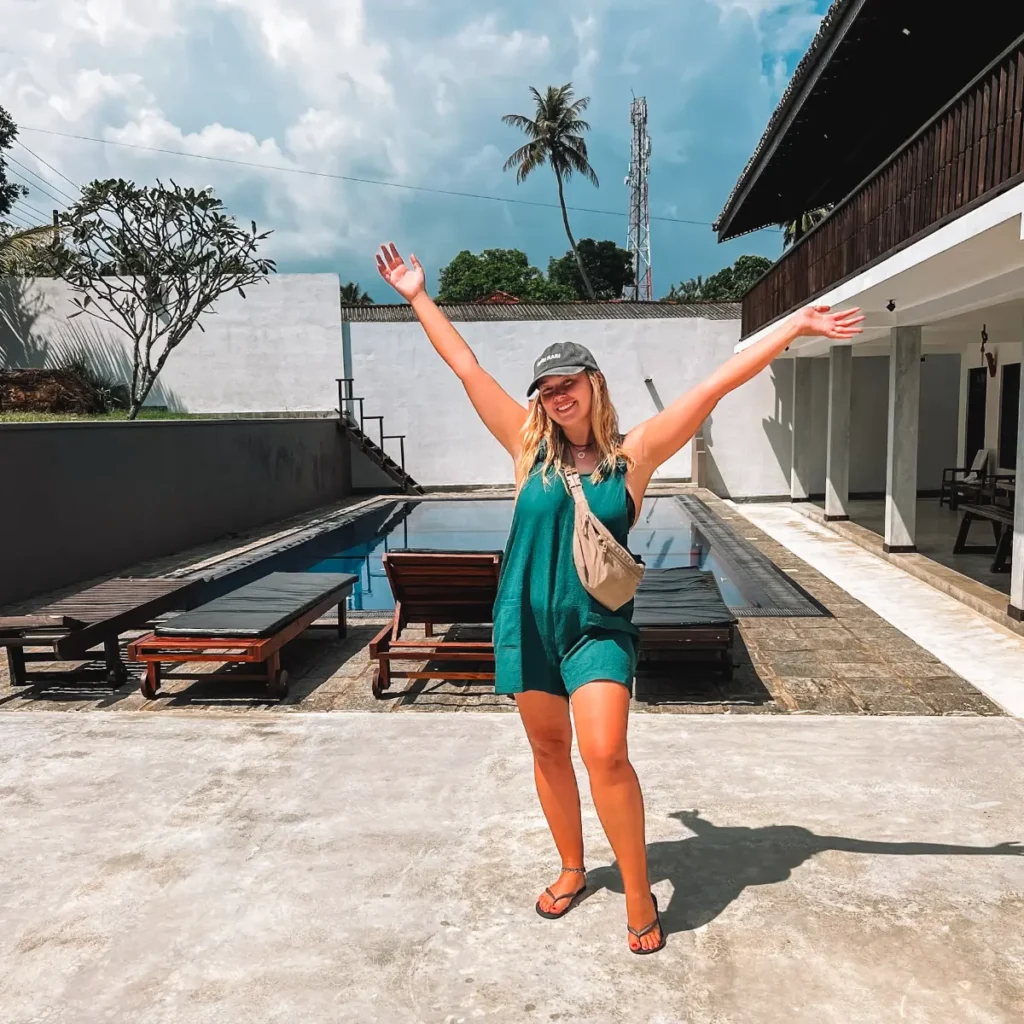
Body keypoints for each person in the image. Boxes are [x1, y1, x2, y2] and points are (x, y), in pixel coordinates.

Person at [375, 241, 863, 954]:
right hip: (526, 620)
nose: (556, 395)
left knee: (604, 753)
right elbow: (465, 366)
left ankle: (636, 887)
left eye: (567, 382)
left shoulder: (633, 457)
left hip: (595, 626)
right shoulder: (525, 445)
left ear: (595, 384)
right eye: (546, 388)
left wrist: (792, 327)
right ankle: (573, 867)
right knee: (548, 751)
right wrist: (418, 294)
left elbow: (713, 385)